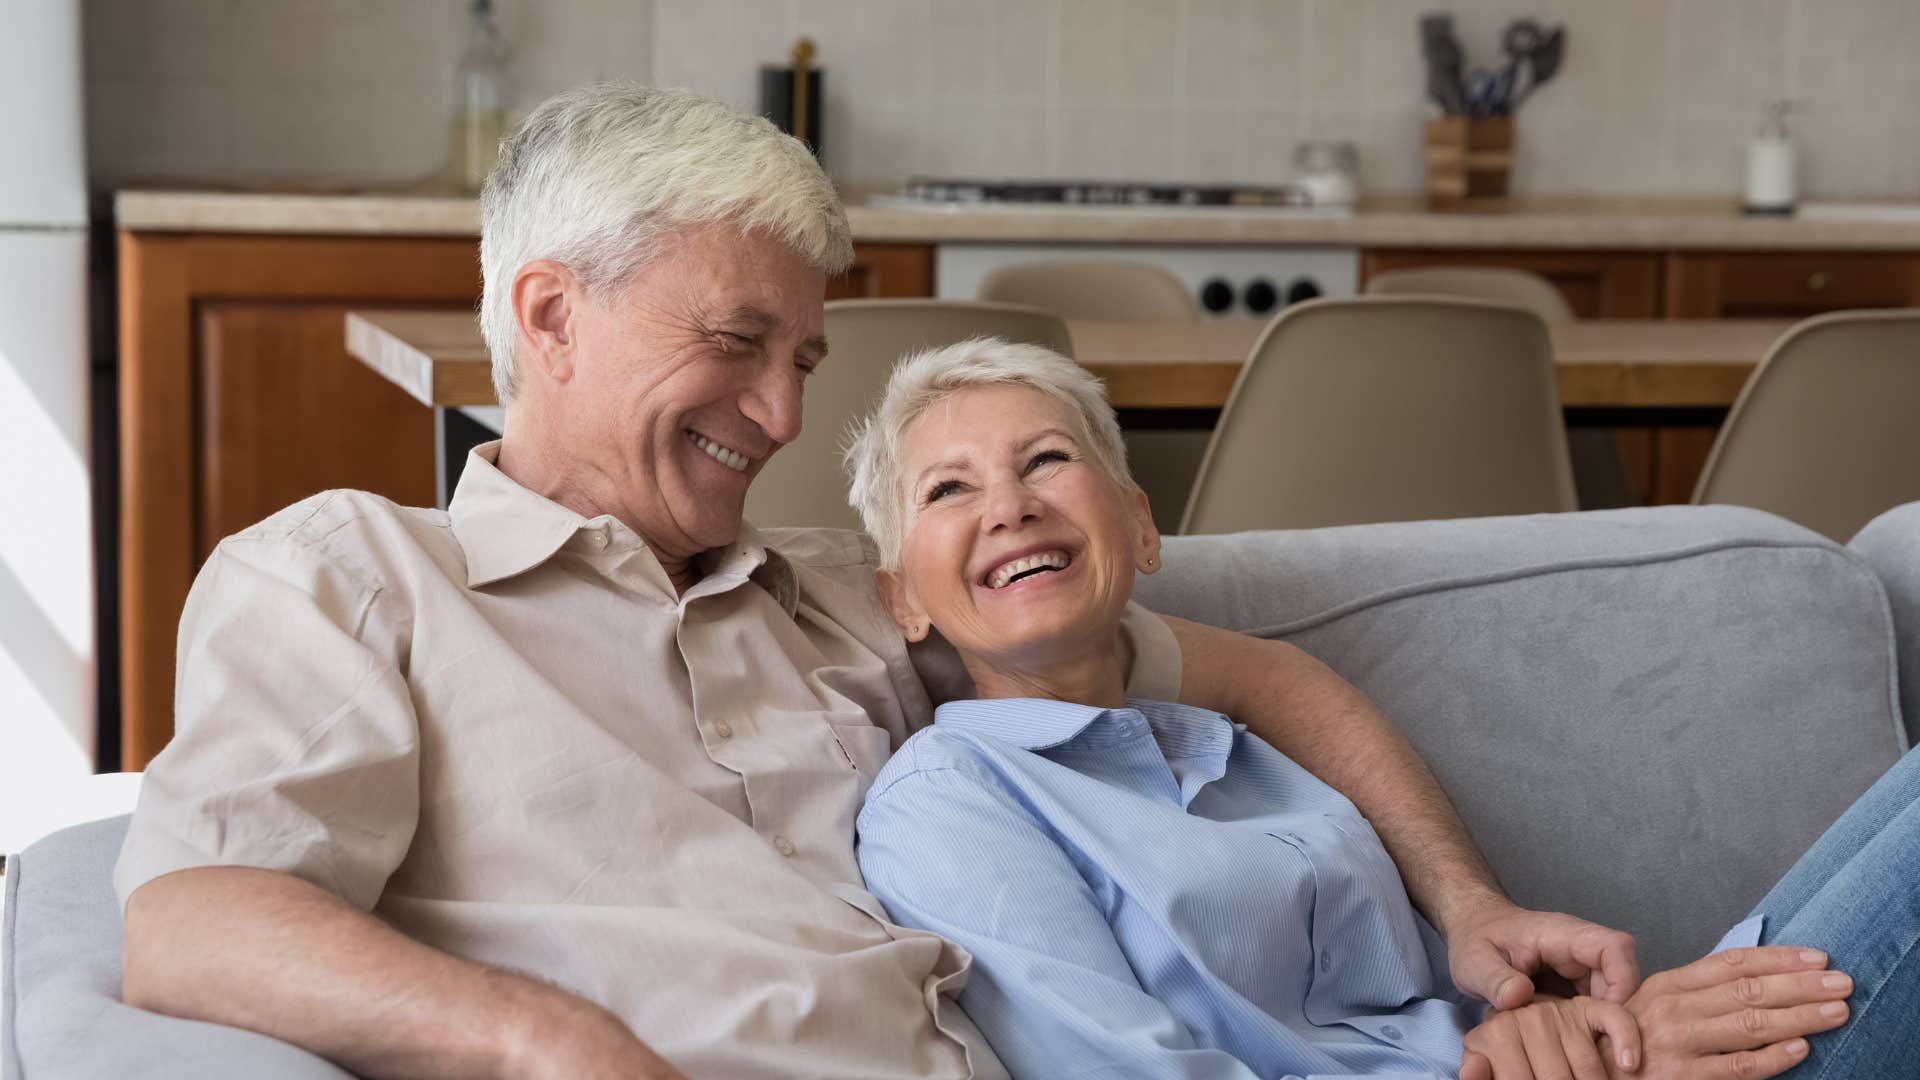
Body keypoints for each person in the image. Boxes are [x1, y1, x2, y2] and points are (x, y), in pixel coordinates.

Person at [117, 84, 1629, 1080]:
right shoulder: (356, 577)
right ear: (553, 315)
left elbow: (1268, 677)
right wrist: (551, 1043)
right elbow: (192, 921)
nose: (781, 417)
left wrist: (1472, 907)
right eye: (736, 345)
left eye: (804, 363)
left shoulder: (867, 589)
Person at [847, 337, 1916, 1080]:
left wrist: (1567, 1024)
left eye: (1046, 461)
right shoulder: (951, 803)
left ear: (1139, 528)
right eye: (948, 490)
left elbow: (1278, 681)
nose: (1011, 504)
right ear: (901, 598)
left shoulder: (1226, 744)